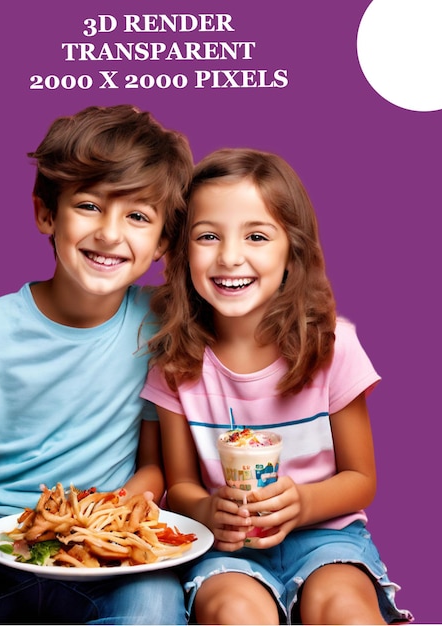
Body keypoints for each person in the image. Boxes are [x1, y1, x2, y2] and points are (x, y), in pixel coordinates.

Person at [0, 104, 193, 625]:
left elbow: (152, 463)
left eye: (137, 216)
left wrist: (109, 519)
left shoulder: (160, 324)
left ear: (162, 242)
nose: (111, 233)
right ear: (47, 213)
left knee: (154, 609)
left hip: (111, 545)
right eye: (90, 206)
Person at [141, 148, 413, 625]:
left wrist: (303, 502)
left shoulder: (331, 346)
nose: (229, 256)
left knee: (345, 609)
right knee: (233, 612)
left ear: (293, 249)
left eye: (257, 236)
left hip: (325, 535)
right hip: (226, 547)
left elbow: (361, 480)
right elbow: (179, 485)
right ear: (184, 253)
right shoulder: (176, 361)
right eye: (208, 236)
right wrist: (207, 506)